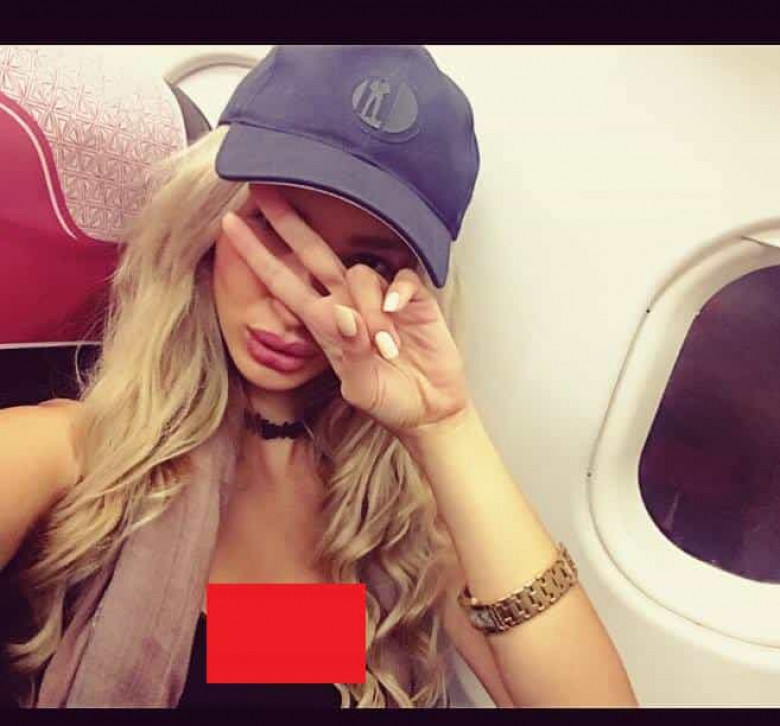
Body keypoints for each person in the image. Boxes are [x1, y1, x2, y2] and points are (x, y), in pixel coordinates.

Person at [0, 45, 637, 708]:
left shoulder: (397, 516)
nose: (301, 304)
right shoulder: (73, 455)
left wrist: (446, 425)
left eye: (367, 265)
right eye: (277, 235)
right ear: (209, 227)